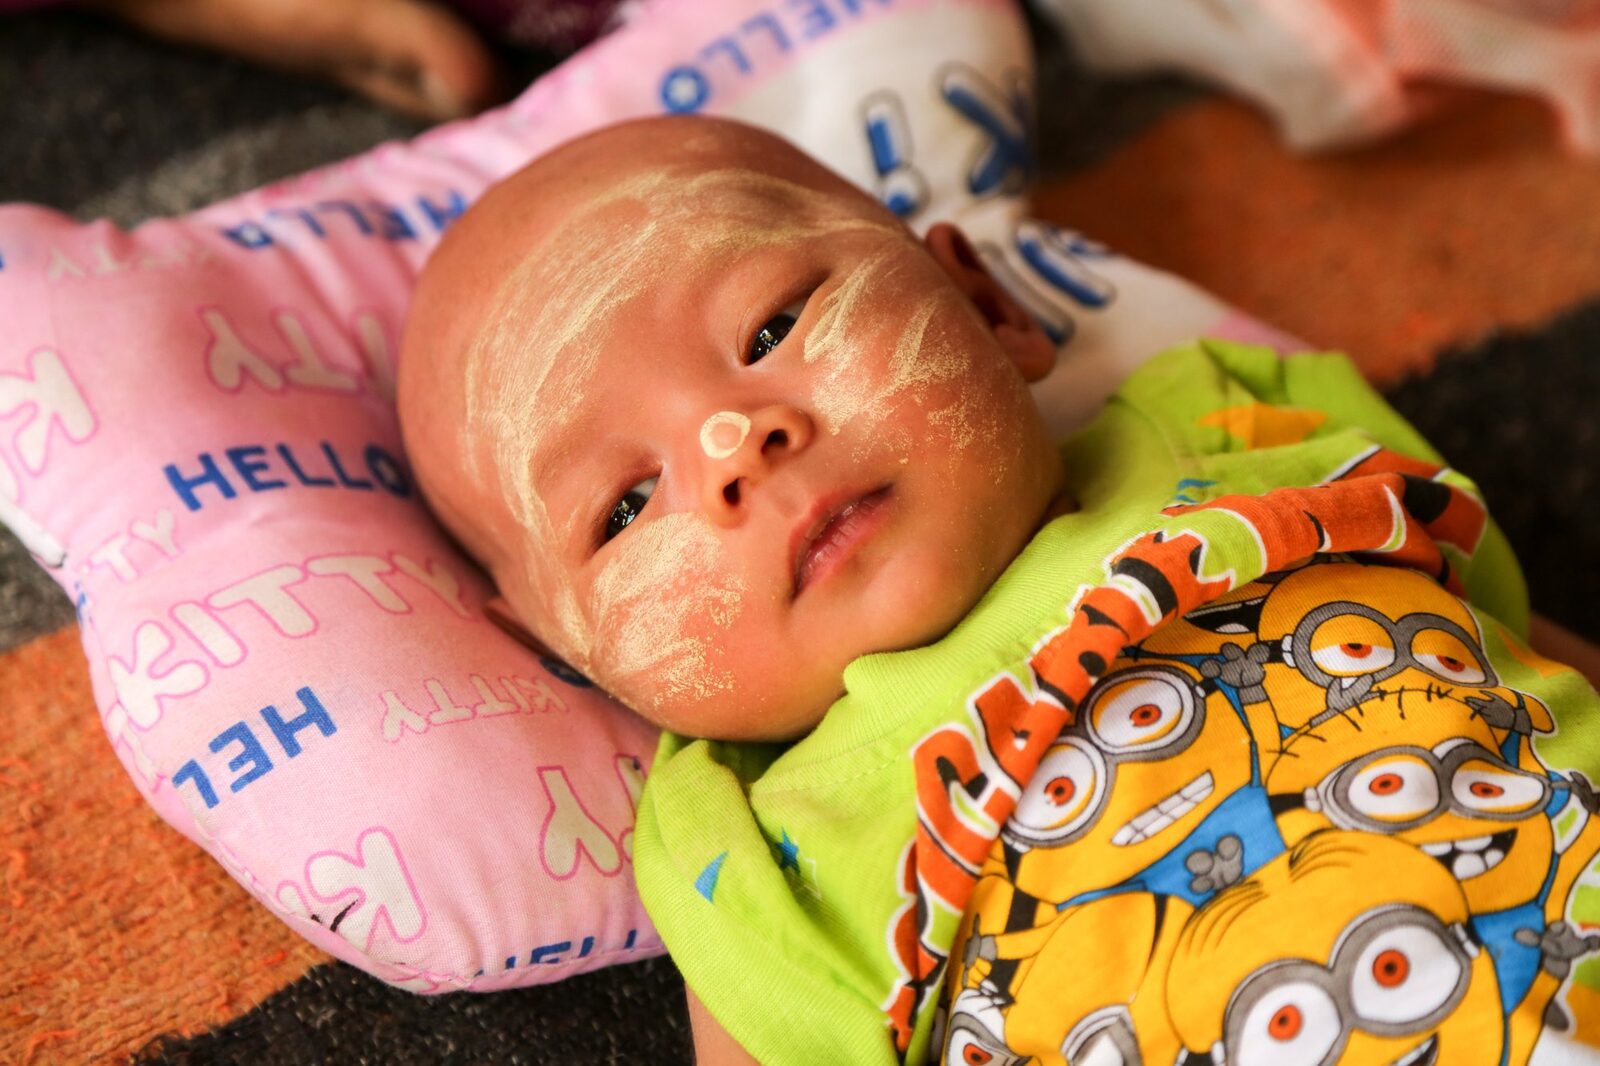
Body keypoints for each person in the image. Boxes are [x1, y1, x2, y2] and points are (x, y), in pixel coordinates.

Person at [396, 115, 1600, 1065]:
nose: (731, 441)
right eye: (619, 508)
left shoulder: (1223, 416)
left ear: (985, 305)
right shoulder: (745, 851)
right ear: (571, 656)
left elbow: (1507, 630)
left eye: (771, 324)